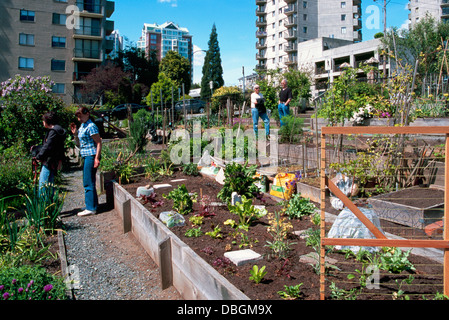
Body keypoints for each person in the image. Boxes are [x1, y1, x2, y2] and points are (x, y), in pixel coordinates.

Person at [71, 106, 102, 216]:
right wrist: (75, 134)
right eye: (78, 117)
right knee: (88, 180)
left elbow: (98, 142)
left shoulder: (91, 126)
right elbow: (80, 144)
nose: (79, 119)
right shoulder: (82, 126)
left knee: (88, 181)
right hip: (85, 155)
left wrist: (97, 158)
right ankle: (91, 204)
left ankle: (91, 208)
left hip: (91, 155)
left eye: (81, 117)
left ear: (87, 114)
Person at [35, 111, 67, 194]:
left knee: (43, 184)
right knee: (50, 184)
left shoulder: (53, 132)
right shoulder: (59, 131)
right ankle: (50, 204)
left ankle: (43, 205)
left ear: (46, 121)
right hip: (54, 161)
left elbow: (47, 146)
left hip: (49, 161)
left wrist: (39, 156)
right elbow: (60, 148)